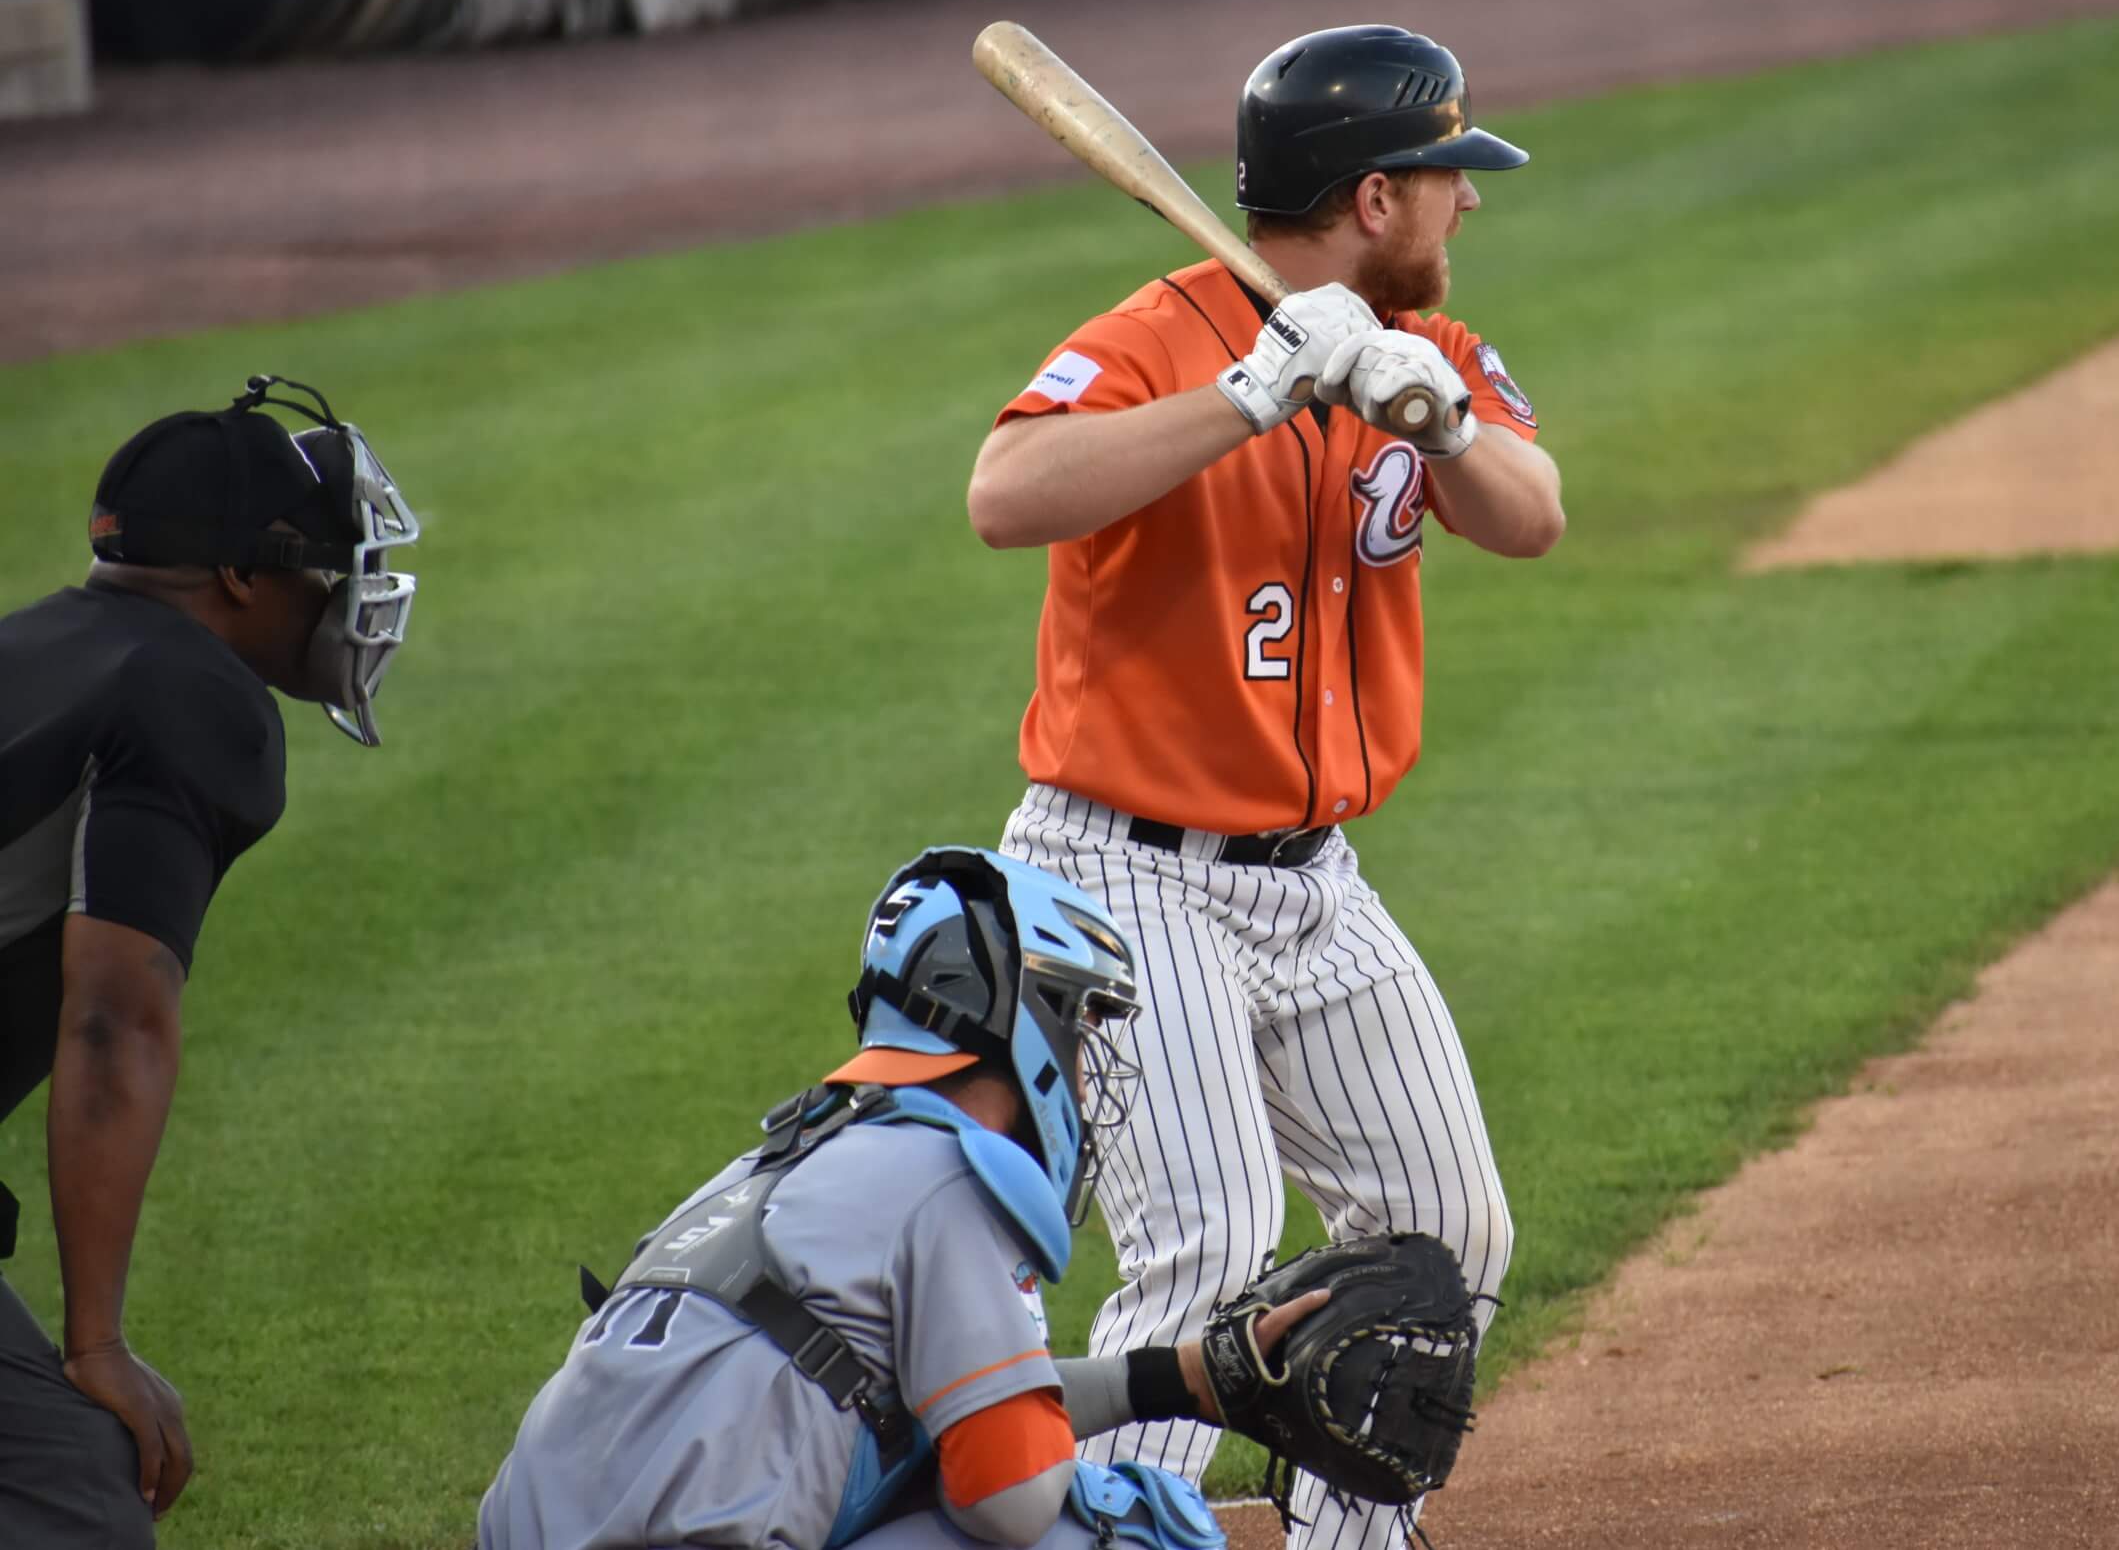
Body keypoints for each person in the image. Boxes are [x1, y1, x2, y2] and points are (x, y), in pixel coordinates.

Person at [966, 23, 1562, 1548]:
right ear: (1374, 197)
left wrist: (1438, 417)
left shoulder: (1433, 344)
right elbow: (1005, 491)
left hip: (1315, 885)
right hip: (1124, 869)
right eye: (1447, 178)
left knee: (1448, 1223)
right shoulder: (1162, 335)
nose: (1469, 205)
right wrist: (1247, 395)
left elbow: (1534, 517)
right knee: (1207, 1250)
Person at [480, 847, 1324, 1550]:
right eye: (1080, 1024)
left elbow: (925, 1406)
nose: (1083, 1063)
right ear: (1017, 1017)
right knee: (1130, 1528)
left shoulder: (780, 1164)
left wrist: (1181, 1379)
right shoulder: (945, 1176)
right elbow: (1012, 1496)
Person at [0, 376, 420, 1546]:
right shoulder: (194, 694)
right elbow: (112, 1022)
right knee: (73, 1499)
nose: (341, 589)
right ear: (242, 576)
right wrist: (97, 1346)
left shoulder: (31, 649)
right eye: (321, 565)